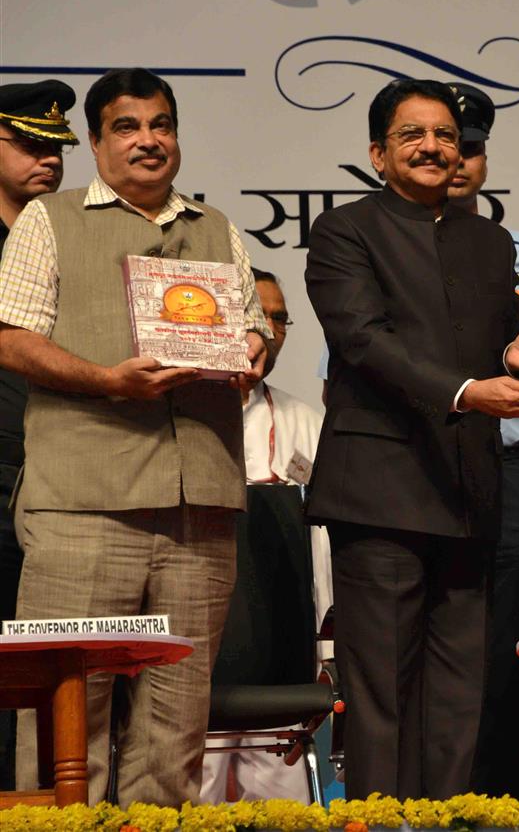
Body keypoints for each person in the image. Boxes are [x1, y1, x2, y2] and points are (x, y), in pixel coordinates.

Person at [0, 68, 270, 806]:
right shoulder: (49, 218)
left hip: (201, 505)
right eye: (127, 126)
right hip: (85, 501)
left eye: (161, 125)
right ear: (94, 142)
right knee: (63, 721)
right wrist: (107, 380)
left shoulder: (214, 227)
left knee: (175, 729)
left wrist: (254, 350)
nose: (147, 140)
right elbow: (11, 337)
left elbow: (252, 325)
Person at [304, 79, 519, 800]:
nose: (433, 147)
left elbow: (494, 343)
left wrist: (517, 352)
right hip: (380, 491)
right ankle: (380, 823)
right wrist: (470, 392)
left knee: (457, 693)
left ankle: (452, 821)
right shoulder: (345, 230)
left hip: (468, 489)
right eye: (413, 135)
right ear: (379, 154)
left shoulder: (488, 240)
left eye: (446, 136)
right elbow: (363, 341)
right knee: (381, 693)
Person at [443, 84, 519, 800]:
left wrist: (513, 433)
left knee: (506, 653)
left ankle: (499, 804)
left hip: (508, 471)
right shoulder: (371, 244)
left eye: (473, 147)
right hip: (419, 473)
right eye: (446, 144)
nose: (458, 160)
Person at [200, 267, 331, 804]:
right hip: (204, 629)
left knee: (281, 793)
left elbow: (323, 549)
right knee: (195, 788)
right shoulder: (182, 411)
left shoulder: (305, 420)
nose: (271, 330)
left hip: (282, 636)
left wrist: (325, 650)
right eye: (261, 317)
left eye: (281, 319)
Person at [0, 78, 77, 792]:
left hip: (56, 479)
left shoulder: (69, 237)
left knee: (40, 664)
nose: (47, 159)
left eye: (56, 147)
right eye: (28, 143)